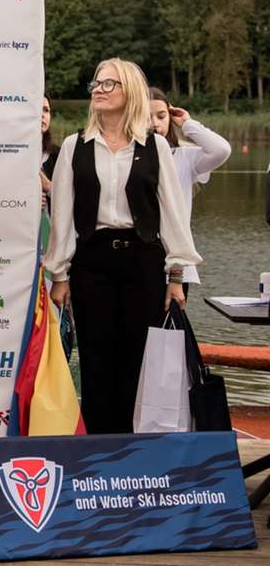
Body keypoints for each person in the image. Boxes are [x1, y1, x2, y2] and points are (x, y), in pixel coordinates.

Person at [46, 58, 200, 434]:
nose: (98, 89)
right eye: (96, 83)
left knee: (137, 361)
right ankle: (99, 450)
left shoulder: (155, 147)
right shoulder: (74, 145)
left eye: (108, 84)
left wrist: (176, 275)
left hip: (143, 261)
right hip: (91, 261)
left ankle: (131, 451)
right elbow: (63, 215)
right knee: (96, 362)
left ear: (129, 90)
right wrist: (60, 274)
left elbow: (172, 215)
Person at [149, 87, 232, 300]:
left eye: (161, 116)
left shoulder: (184, 157)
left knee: (168, 331)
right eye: (146, 116)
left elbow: (221, 150)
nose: (155, 123)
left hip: (175, 266)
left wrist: (187, 123)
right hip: (138, 262)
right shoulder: (124, 159)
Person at [40, 94, 58, 210]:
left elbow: (76, 200)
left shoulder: (61, 155)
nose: (42, 115)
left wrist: (48, 186)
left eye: (46, 110)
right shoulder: (7, 156)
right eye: (36, 109)